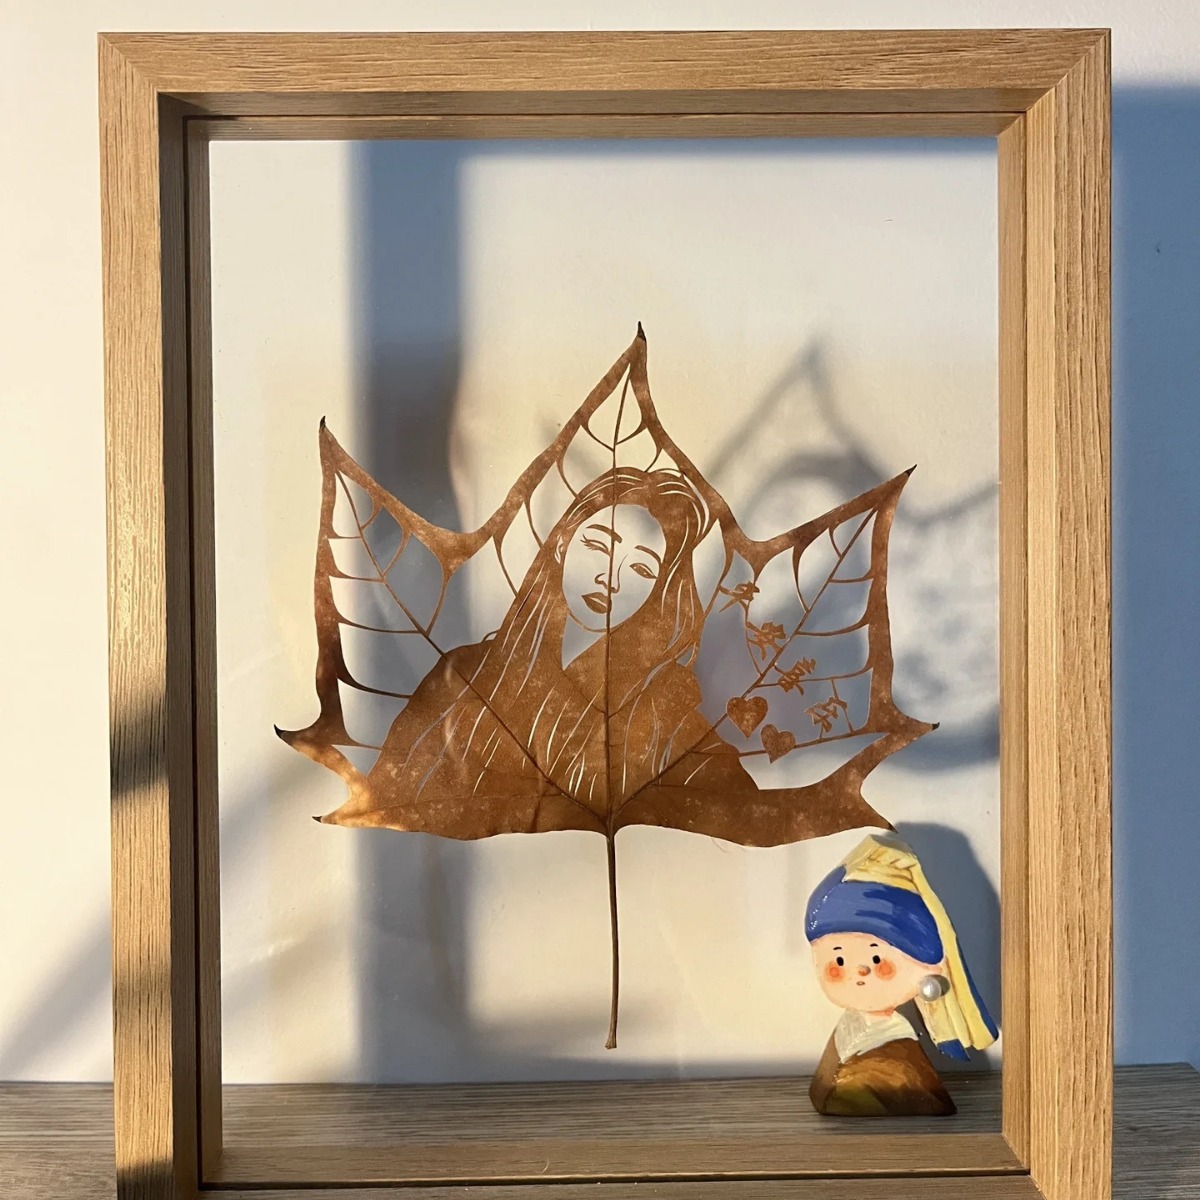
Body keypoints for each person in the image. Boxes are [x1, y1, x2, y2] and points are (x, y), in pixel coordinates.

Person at [804, 833, 998, 1116]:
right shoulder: (852, 1031)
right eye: (839, 959)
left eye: (876, 958)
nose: (860, 970)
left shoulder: (895, 1059)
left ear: (925, 966)